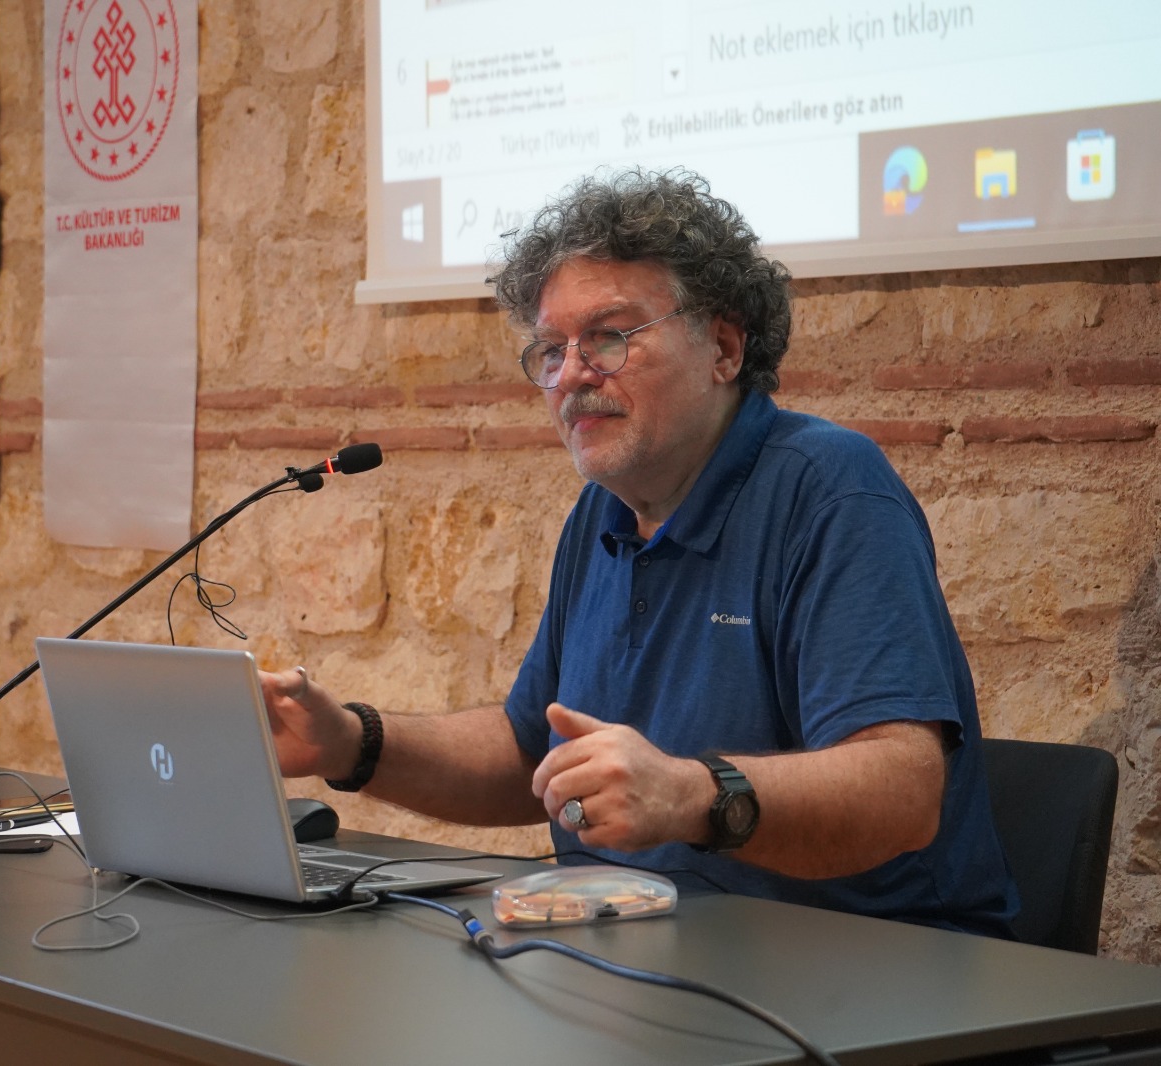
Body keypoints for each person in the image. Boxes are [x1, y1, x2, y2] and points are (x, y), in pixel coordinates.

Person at [260, 168, 1017, 936]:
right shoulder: (604, 511)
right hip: (638, 948)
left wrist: (691, 796)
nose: (571, 374)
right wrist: (349, 742)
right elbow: (531, 755)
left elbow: (903, 790)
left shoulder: (830, 491)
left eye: (610, 337)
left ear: (723, 348)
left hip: (866, 964)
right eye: (550, 349)